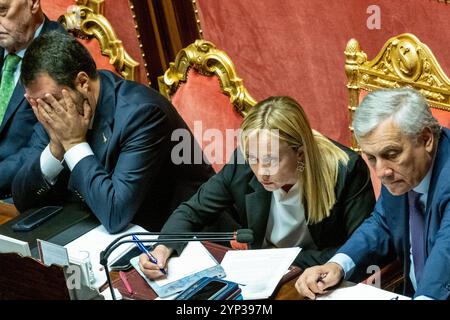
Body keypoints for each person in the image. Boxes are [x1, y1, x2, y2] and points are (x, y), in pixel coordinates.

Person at [139, 96, 375, 279]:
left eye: (271, 160)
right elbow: (192, 211)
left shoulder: (346, 170)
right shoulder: (243, 163)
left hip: (315, 278)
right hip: (261, 275)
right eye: (253, 158)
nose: (260, 171)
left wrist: (279, 259)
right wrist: (163, 246)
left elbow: (356, 250)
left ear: (300, 154)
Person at [12, 31, 213, 233]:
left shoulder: (142, 114)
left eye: (50, 101)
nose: (47, 112)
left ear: (82, 83)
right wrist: (56, 149)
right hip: (100, 232)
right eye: (37, 104)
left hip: (183, 239)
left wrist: (73, 143)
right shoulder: (54, 110)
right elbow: (22, 200)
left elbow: (115, 213)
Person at [295, 88, 450, 300]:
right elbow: (383, 223)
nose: (381, 172)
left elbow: (446, 251)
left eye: (391, 154)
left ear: (425, 139)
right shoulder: (402, 173)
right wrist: (337, 264)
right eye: (372, 158)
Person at [0, 0, 64, 199]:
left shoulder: (60, 56)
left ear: (33, 3)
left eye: (2, 10)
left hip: (19, 193)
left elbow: (43, 148)